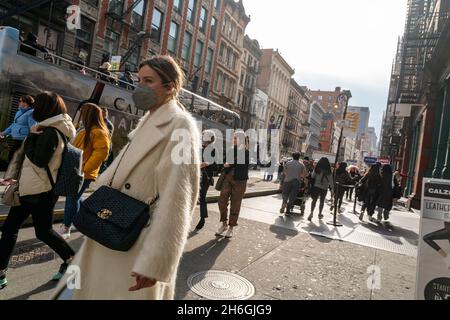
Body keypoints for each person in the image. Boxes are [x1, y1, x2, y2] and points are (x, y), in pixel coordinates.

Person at [52, 55, 200, 300]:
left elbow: (179, 201)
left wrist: (155, 263)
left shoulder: (180, 125)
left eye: (149, 81)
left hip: (135, 243)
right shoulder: (148, 121)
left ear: (170, 86)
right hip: (110, 230)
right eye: (139, 79)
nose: (140, 86)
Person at [0, 92, 77, 290]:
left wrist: (31, 140)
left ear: (45, 108)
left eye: (38, 106)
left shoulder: (50, 131)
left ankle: (1, 272)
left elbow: (40, 160)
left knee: (16, 228)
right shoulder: (54, 128)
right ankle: (70, 258)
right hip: (40, 187)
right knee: (41, 230)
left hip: (38, 189)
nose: (34, 110)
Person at [59, 103, 111, 239]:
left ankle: (66, 226)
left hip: (83, 173)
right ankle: (89, 218)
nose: (80, 114)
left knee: (71, 198)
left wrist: (83, 170)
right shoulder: (83, 128)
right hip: (76, 170)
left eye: (83, 112)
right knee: (76, 198)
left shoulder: (99, 132)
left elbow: (101, 154)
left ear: (88, 114)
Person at [216, 131, 250, 239]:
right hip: (228, 178)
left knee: (235, 204)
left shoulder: (246, 151)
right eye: (233, 138)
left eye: (236, 138)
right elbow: (225, 162)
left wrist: (230, 163)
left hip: (240, 181)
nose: (233, 140)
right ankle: (224, 224)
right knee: (222, 201)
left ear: (241, 140)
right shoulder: (231, 150)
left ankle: (231, 227)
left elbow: (242, 162)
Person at [1, 95, 37, 163]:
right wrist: (4, 133)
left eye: (21, 101)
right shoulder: (19, 112)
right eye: (19, 101)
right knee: (12, 155)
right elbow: (14, 124)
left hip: (23, 139)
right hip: (16, 137)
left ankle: (9, 168)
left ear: (27, 102)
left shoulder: (31, 113)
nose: (19, 102)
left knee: (13, 156)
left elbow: (33, 127)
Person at [195, 130, 217, 231]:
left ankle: (202, 218)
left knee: (202, 197)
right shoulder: (200, 148)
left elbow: (217, 166)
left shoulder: (213, 149)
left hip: (205, 177)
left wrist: (207, 163)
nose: (202, 137)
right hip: (196, 176)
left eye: (204, 136)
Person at [308, 157, 334, 221]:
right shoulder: (329, 170)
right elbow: (331, 181)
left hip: (316, 187)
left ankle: (311, 213)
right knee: (322, 201)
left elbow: (312, 176)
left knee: (314, 200)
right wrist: (332, 189)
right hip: (324, 188)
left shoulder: (317, 169)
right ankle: (319, 214)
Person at [99, 107, 115, 174]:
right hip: (100, 146)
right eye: (102, 113)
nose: (103, 114)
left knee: (102, 166)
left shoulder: (108, 124)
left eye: (104, 113)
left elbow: (107, 136)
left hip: (104, 147)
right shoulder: (98, 121)